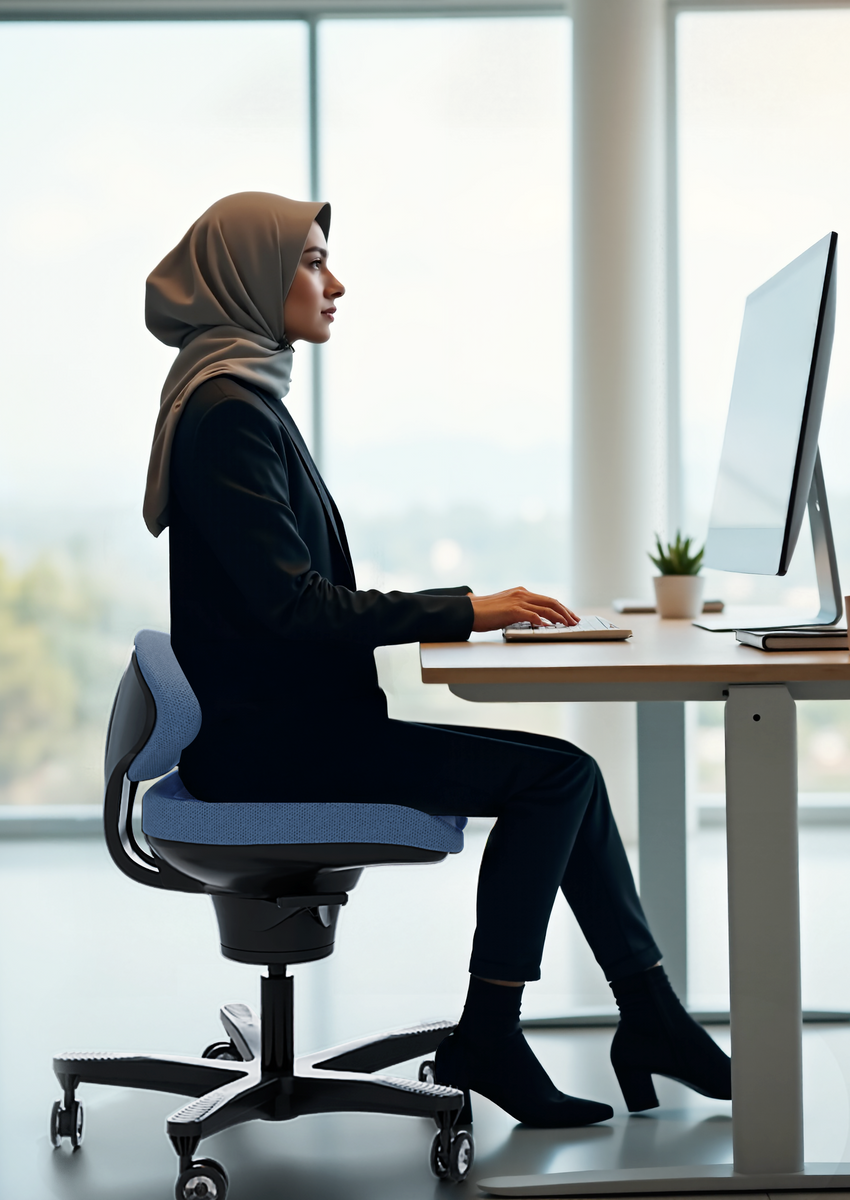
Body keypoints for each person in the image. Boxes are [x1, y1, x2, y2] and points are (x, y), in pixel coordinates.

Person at [142, 191, 731, 1127]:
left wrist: (468, 612)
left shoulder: (243, 396)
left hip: (287, 731)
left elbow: (289, 599)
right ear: (250, 278)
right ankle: (500, 1033)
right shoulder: (229, 415)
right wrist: (471, 608)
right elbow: (293, 609)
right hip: (280, 750)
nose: (335, 283)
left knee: (566, 776)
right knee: (558, 781)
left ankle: (643, 1015)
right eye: (311, 262)